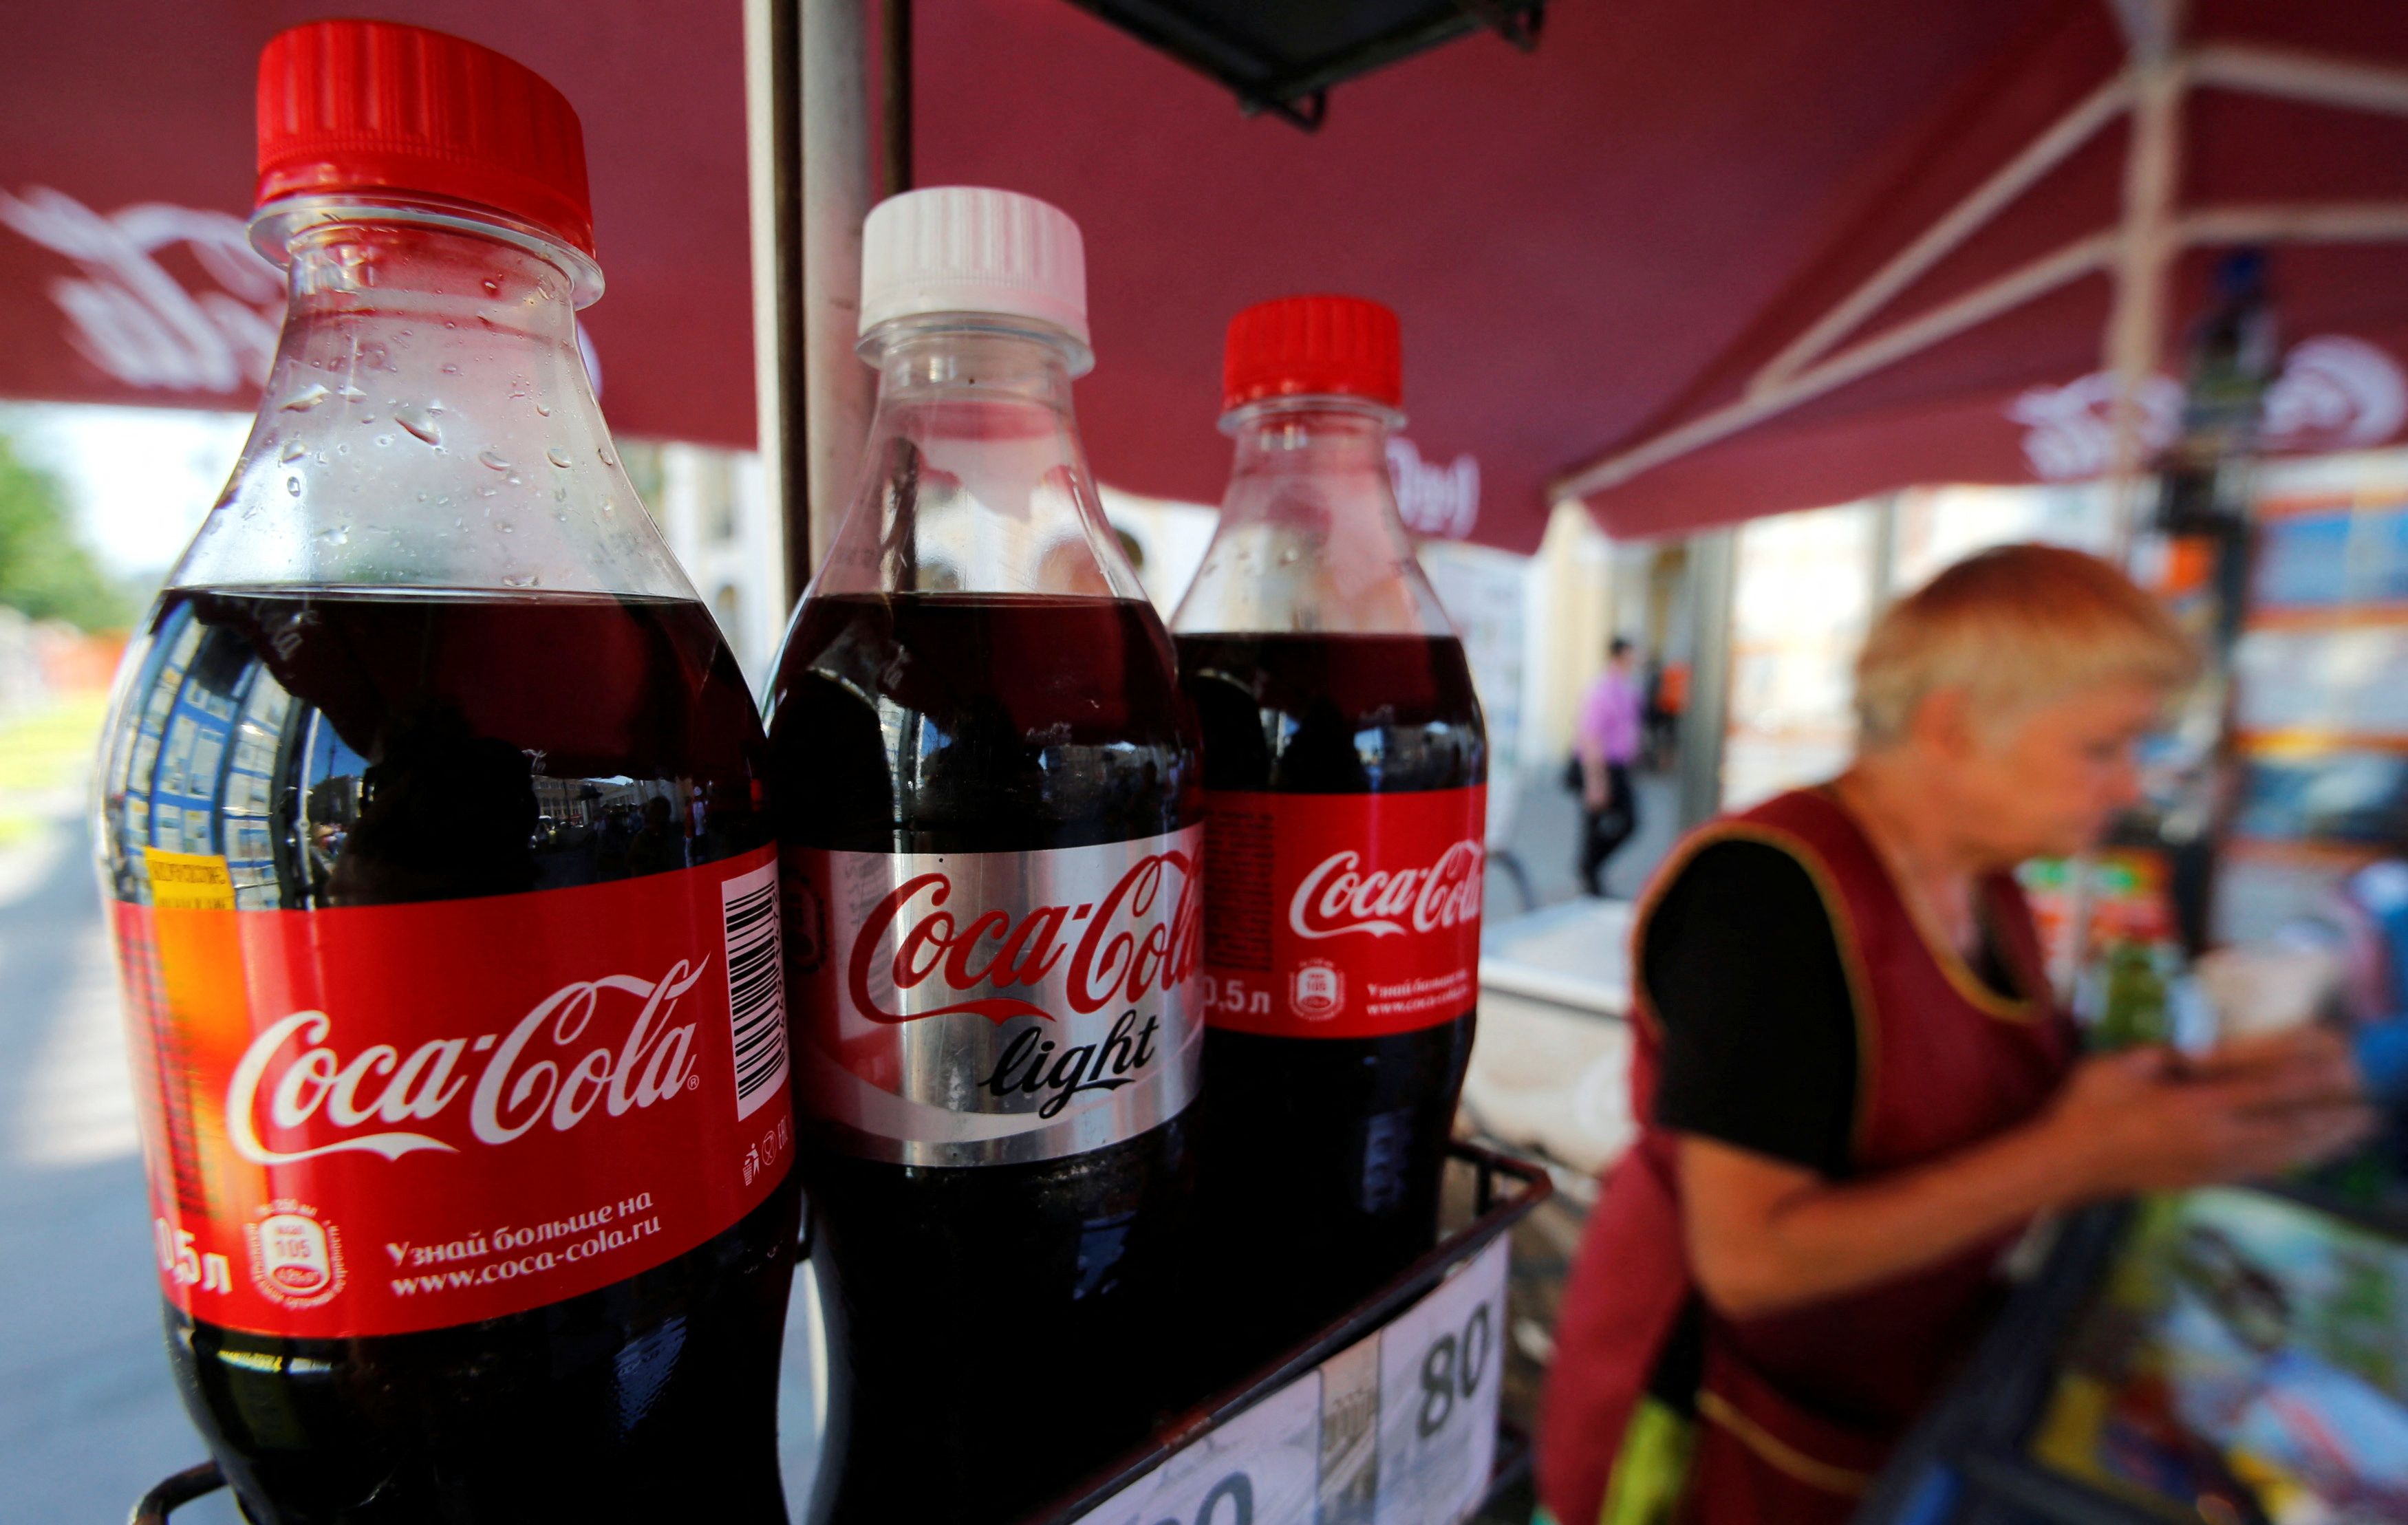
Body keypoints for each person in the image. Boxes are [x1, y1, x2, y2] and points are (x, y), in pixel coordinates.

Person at [1538, 545, 2372, 1525]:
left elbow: (2025, 1100)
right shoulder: (1766, 896)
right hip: (1708, 1418)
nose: (2129, 786)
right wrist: (2083, 1154)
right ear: (1953, 726)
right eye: (2102, 748)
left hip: (1884, 1386)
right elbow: (1751, 1260)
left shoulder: (1991, 885)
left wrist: (2207, 1091)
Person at [1578, 637, 1645, 896]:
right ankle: (1590, 873)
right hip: (1602, 766)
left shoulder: (1628, 689)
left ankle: (1590, 868)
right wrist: (1596, 781)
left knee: (1621, 823)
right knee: (1598, 823)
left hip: (1619, 766)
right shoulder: (1602, 691)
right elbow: (1591, 737)